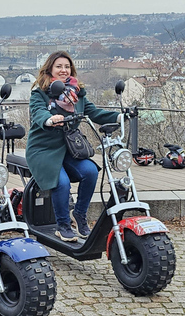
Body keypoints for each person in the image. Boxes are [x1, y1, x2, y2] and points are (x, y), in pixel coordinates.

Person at [25, 51, 123, 242]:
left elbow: (93, 112)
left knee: (91, 171)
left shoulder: (76, 93)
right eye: (59, 66)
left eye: (67, 66)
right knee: (61, 183)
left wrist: (119, 117)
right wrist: (49, 119)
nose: (63, 70)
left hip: (69, 148)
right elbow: (37, 113)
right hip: (43, 149)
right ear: (50, 69)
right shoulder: (40, 93)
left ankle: (79, 215)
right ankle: (62, 225)